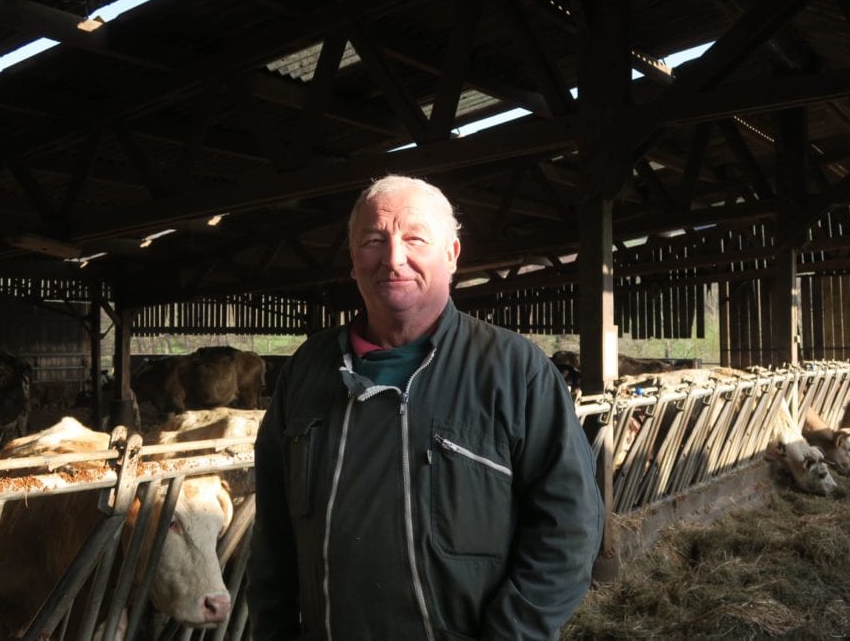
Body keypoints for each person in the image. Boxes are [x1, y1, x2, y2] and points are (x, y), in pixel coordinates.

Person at [246, 175, 604, 640]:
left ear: (452, 255)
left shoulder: (514, 370)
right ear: (353, 261)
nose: (394, 258)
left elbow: (569, 526)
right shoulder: (308, 371)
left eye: (415, 238)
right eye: (373, 241)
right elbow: (273, 533)